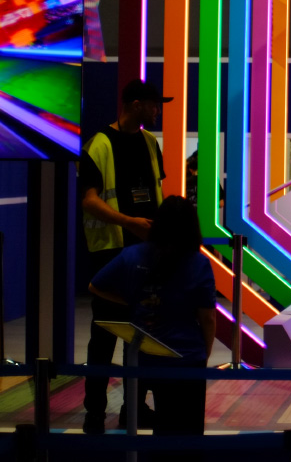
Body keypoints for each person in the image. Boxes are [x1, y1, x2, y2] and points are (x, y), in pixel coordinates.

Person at [79, 78, 171, 434]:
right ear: (134, 104)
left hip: (149, 254)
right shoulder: (99, 145)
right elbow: (89, 200)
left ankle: (134, 409)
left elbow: (156, 193)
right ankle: (94, 415)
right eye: (152, 104)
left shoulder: (150, 142)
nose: (156, 110)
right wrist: (129, 222)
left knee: (146, 337)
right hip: (111, 254)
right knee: (103, 337)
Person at [90, 196, 215, 450]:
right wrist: (205, 353)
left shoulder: (132, 255)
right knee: (187, 435)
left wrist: (133, 300)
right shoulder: (199, 263)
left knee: (156, 434)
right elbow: (208, 318)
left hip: (143, 356)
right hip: (186, 356)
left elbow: (95, 285)